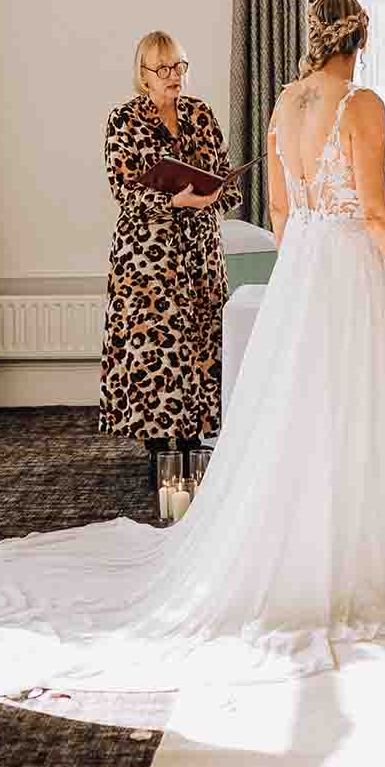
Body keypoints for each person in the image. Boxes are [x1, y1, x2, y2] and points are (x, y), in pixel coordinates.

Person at [0, 0, 385, 691]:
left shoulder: (286, 103)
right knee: (343, 405)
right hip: (337, 268)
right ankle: (343, 560)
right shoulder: (360, 105)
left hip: (301, 265)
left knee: (291, 411)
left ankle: (293, 547)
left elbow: (277, 211)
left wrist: (302, 261)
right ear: (360, 35)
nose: (172, 73)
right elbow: (371, 210)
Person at [98, 31, 237, 490]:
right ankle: (160, 447)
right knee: (156, 346)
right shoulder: (124, 120)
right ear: (143, 74)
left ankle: (196, 440)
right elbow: (125, 189)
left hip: (200, 253)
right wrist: (174, 203)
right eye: (163, 69)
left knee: (201, 341)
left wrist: (213, 194)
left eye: (179, 66)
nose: (174, 76)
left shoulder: (201, 115)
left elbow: (227, 180)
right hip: (148, 259)